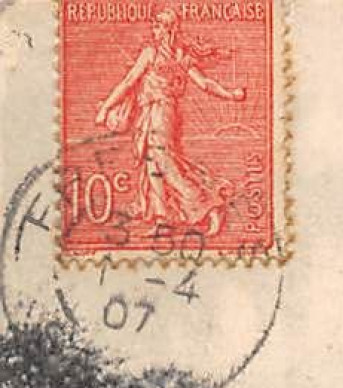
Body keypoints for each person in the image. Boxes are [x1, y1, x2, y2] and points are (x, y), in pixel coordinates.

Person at [93, 8, 247, 236]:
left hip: (162, 113)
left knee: (164, 162)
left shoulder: (160, 54)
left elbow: (129, 82)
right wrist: (231, 94)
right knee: (152, 163)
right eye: (154, 26)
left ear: (169, 29)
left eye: (157, 26)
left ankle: (209, 205)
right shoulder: (174, 54)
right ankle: (162, 218)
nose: (154, 30)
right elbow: (202, 83)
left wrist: (231, 94)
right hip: (153, 112)